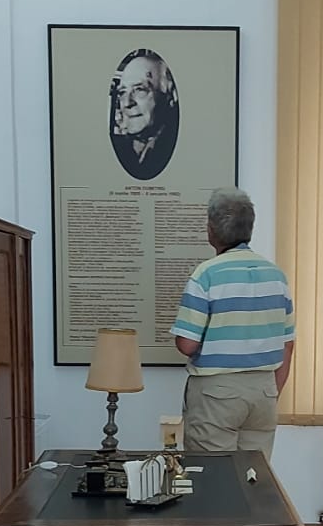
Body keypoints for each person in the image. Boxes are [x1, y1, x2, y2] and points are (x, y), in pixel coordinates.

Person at [170, 188, 295, 460]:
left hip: (217, 393)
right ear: (249, 228)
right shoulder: (276, 276)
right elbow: (288, 343)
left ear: (211, 230)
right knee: (254, 475)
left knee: (213, 474)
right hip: (264, 391)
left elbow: (187, 344)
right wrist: (272, 390)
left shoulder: (206, 274)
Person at [109, 49, 179, 180]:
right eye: (122, 92)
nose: (127, 103)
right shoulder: (116, 147)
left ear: (170, 95)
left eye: (139, 90)